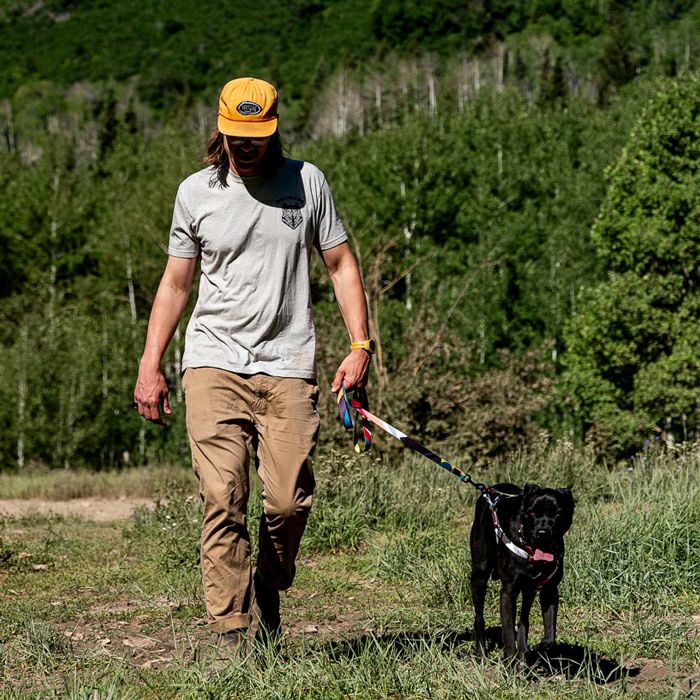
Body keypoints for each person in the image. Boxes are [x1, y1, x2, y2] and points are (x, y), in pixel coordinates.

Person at [133, 77, 373, 652]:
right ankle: (232, 635)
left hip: (288, 363)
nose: (246, 145)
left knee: (288, 501)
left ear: (273, 127)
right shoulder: (195, 192)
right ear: (220, 128)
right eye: (235, 135)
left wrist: (360, 345)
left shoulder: (306, 183)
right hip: (213, 360)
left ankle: (269, 582)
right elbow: (175, 284)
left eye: (256, 135)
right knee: (223, 496)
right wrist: (150, 364)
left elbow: (340, 265)